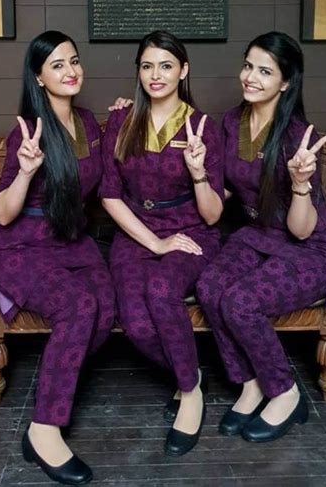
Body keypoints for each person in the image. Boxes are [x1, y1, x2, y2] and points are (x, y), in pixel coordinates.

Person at [196, 31, 326, 443]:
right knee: (209, 287)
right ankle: (250, 384)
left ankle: (285, 392)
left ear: (285, 82)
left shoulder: (298, 137)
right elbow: (227, 187)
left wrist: (300, 183)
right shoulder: (232, 121)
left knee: (240, 303)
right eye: (248, 66)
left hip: (308, 246)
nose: (250, 77)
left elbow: (302, 229)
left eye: (265, 71)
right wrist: (195, 181)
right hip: (257, 234)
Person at [0, 30, 116, 485]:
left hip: (72, 239)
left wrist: (123, 117)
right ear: (39, 77)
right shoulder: (26, 131)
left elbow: (108, 179)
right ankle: (44, 428)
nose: (71, 71)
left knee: (105, 309)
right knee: (79, 307)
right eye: (57, 65)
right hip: (22, 245)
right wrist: (25, 173)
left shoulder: (89, 123)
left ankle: (49, 395)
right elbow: (1, 213)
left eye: (74, 60)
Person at [100, 30, 224, 456]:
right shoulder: (121, 120)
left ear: (183, 71)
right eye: (147, 66)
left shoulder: (203, 127)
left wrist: (199, 173)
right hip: (136, 230)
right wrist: (154, 242)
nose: (156, 75)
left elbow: (213, 215)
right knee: (135, 322)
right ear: (138, 71)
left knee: (160, 288)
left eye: (166, 66)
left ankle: (189, 393)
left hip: (191, 230)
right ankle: (192, 372)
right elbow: (110, 195)